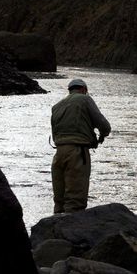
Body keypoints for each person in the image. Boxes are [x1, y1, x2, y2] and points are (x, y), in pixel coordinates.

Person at [50, 78, 111, 213]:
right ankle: (72, 232)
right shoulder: (85, 99)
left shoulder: (56, 106)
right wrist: (102, 135)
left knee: (59, 201)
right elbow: (104, 125)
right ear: (83, 89)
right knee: (75, 201)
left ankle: (54, 230)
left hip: (58, 154)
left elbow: (54, 132)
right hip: (77, 153)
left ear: (70, 90)